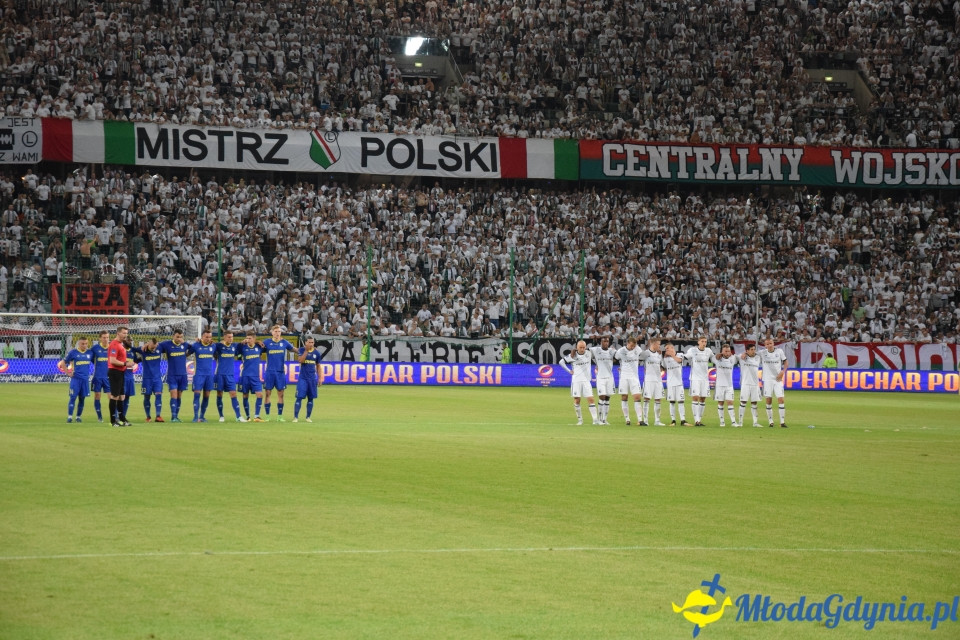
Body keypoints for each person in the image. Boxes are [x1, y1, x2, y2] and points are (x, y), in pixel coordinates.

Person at [260, 325, 296, 422]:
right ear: (272, 332)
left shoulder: (284, 342)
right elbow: (257, 349)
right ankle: (267, 416)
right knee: (267, 393)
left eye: (279, 331)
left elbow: (294, 349)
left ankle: (280, 416)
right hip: (270, 372)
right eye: (275, 331)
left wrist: (305, 351)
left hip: (280, 372)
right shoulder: (267, 342)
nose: (277, 333)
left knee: (281, 394)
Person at [560, 340, 597, 425]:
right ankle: (580, 420)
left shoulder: (589, 353)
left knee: (591, 399)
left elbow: (598, 355)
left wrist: (597, 366)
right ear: (577, 347)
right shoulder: (572, 356)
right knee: (577, 400)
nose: (582, 349)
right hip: (576, 380)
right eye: (580, 347)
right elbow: (561, 362)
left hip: (586, 380)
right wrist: (569, 371)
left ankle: (595, 420)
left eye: (584, 347)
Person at [157, 329, 192, 422]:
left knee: (179, 396)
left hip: (183, 375)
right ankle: (173, 417)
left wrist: (187, 351)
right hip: (172, 375)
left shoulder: (185, 345)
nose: (179, 339)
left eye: (181, 337)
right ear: (173, 336)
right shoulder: (167, 344)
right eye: (177, 337)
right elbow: (157, 346)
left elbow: (193, 348)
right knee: (174, 395)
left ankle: (176, 416)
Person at [59, 336, 92, 423]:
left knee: (82, 399)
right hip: (75, 380)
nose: (84, 345)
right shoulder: (73, 352)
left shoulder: (90, 353)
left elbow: (97, 362)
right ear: (78, 343)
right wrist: (67, 373)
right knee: (72, 398)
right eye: (82, 344)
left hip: (85, 380)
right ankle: (70, 417)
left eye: (86, 344)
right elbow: (62, 362)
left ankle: (78, 417)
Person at [214, 330, 245, 422]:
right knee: (219, 394)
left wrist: (244, 342)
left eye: (232, 337)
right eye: (229, 337)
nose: (231, 339)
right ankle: (221, 416)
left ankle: (238, 416)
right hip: (220, 374)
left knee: (233, 394)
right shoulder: (218, 346)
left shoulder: (235, 346)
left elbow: (244, 344)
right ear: (224, 337)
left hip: (230, 375)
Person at [684, 337, 716, 427]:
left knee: (702, 399)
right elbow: (685, 357)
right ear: (698, 342)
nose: (704, 343)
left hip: (705, 379)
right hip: (695, 378)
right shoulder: (693, 350)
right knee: (695, 397)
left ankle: (699, 420)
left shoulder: (708, 351)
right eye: (702, 341)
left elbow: (714, 359)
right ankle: (696, 420)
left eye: (705, 342)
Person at [614, 336, 643, 425]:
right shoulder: (621, 351)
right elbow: (615, 358)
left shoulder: (638, 350)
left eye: (634, 346)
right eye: (631, 346)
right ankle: (627, 419)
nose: (632, 348)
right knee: (624, 397)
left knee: (637, 397)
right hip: (624, 377)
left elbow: (643, 355)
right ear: (627, 344)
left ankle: (640, 420)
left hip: (634, 377)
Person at [189, 329, 217, 422]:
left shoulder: (213, 346)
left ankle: (202, 416)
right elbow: (186, 353)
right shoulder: (196, 345)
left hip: (209, 375)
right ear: (202, 337)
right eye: (206, 337)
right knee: (197, 395)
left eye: (210, 337)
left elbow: (218, 355)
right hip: (198, 375)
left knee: (206, 396)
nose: (208, 339)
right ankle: (195, 417)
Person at [237, 330, 266, 422]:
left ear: (254, 339)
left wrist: (258, 342)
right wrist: (240, 343)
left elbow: (266, 347)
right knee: (245, 395)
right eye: (247, 338)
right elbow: (235, 350)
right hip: (245, 375)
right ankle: (248, 416)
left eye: (250, 338)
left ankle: (256, 416)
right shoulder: (242, 347)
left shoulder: (258, 347)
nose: (248, 340)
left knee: (260, 395)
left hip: (255, 376)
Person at [293, 336, 322, 422]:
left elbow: (318, 366)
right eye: (309, 342)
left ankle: (308, 417)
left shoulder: (317, 353)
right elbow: (300, 361)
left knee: (311, 398)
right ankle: (296, 417)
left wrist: (320, 378)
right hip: (303, 378)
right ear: (305, 342)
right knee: (299, 397)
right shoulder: (301, 350)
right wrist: (306, 350)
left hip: (312, 379)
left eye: (312, 342)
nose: (311, 344)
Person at [589, 335, 617, 425]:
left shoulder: (612, 351)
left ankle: (605, 419)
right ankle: (600, 420)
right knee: (602, 397)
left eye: (607, 341)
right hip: (600, 377)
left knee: (608, 398)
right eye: (604, 341)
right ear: (601, 342)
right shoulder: (596, 350)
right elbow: (587, 350)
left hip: (610, 377)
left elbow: (618, 357)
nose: (606, 343)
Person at [761, 337, 788, 427]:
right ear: (765, 345)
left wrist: (783, 372)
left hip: (777, 379)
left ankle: (782, 422)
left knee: (781, 399)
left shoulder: (779, 351)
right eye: (767, 344)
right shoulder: (762, 353)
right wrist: (744, 354)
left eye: (770, 343)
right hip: (767, 380)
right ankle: (770, 422)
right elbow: (751, 354)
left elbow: (785, 362)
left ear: (773, 344)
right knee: (768, 400)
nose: (769, 345)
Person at [136, 338, 165, 422]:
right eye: (152, 347)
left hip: (157, 378)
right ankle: (148, 417)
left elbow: (169, 344)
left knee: (158, 395)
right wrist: (137, 359)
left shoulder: (160, 348)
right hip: (146, 379)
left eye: (155, 347)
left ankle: (158, 416)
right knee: (147, 397)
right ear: (149, 344)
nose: (153, 349)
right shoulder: (142, 350)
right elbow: (131, 348)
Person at [107, 326, 131, 427]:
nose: (125, 335)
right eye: (124, 333)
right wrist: (125, 363)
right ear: (118, 333)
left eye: (126, 333)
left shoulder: (121, 344)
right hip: (115, 372)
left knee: (122, 396)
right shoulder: (114, 344)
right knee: (115, 396)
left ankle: (122, 419)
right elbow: (112, 360)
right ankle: (113, 420)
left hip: (120, 372)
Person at [639, 337, 665, 426]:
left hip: (658, 380)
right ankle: (645, 420)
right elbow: (637, 360)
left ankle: (657, 421)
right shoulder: (646, 353)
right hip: (649, 379)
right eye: (658, 344)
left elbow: (662, 366)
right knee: (647, 399)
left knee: (658, 399)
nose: (659, 346)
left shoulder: (659, 354)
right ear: (653, 344)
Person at [712, 344, 740, 427]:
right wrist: (718, 355)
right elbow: (714, 357)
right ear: (722, 351)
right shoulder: (717, 359)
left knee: (730, 402)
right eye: (725, 351)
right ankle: (722, 421)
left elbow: (740, 356)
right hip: (719, 385)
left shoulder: (733, 358)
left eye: (728, 351)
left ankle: (733, 422)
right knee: (720, 403)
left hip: (729, 385)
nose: (727, 353)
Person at [663, 343, 690, 426]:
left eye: (667, 348)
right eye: (666, 349)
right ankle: (673, 420)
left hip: (679, 383)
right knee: (672, 402)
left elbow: (679, 361)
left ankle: (683, 420)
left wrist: (672, 355)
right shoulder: (665, 359)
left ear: (672, 348)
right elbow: (664, 367)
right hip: (670, 383)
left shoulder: (680, 354)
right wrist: (665, 357)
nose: (666, 350)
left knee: (681, 401)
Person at [738, 343, 763, 427]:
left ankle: (755, 422)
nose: (753, 351)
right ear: (747, 350)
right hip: (745, 383)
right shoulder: (741, 357)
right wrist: (743, 354)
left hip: (755, 384)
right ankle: (740, 422)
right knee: (743, 402)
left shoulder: (758, 357)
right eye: (751, 349)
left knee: (754, 403)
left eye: (754, 349)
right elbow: (732, 356)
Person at [89, 331, 111, 422]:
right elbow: (89, 358)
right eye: (104, 337)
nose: (106, 339)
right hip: (97, 376)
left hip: (109, 377)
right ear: (100, 338)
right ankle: (99, 417)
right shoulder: (95, 348)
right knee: (97, 396)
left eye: (107, 337)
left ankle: (114, 416)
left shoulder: (112, 348)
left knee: (111, 397)